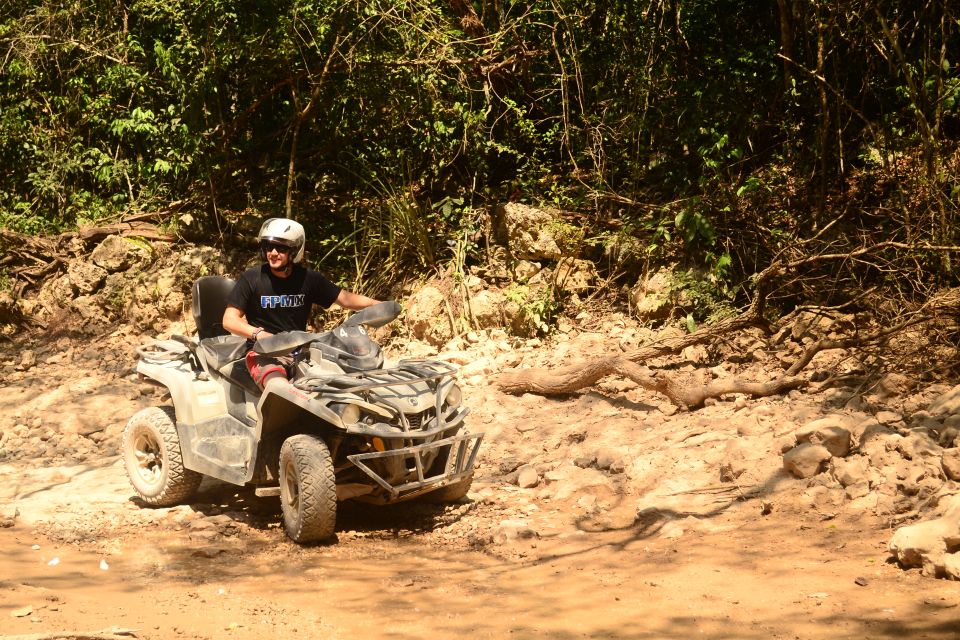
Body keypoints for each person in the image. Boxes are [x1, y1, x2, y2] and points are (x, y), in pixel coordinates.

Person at [222, 217, 380, 389]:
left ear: (295, 250)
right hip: (263, 353)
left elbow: (345, 298)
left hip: (302, 352)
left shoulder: (308, 279)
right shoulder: (252, 278)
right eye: (269, 246)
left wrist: (376, 304)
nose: (273, 252)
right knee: (280, 390)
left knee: (340, 387)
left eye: (281, 247)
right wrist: (259, 334)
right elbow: (229, 320)